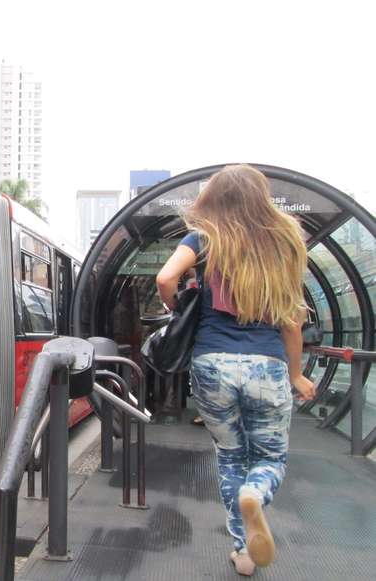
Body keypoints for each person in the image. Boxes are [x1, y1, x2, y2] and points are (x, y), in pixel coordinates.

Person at [155, 164, 316, 576]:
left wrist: (178, 309)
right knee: (270, 457)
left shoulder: (204, 238)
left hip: (212, 364)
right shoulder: (284, 241)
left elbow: (165, 278)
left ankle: (244, 551)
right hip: (267, 364)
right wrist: (296, 374)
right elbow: (292, 321)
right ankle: (256, 494)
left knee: (230, 456)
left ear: (214, 197)